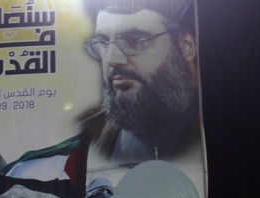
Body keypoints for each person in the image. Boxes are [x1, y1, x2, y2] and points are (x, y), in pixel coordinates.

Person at [79, 0, 199, 163]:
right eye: (103, 42)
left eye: (134, 41)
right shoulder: (86, 130)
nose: (111, 59)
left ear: (186, 45)